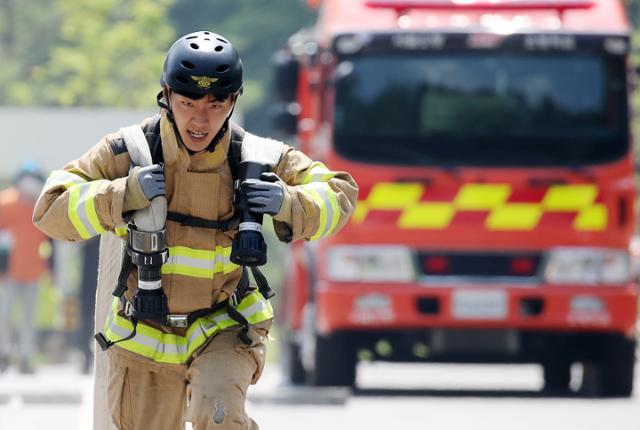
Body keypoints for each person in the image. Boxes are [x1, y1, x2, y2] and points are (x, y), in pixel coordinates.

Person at [33, 30, 357, 430]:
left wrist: (287, 203)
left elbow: (340, 195)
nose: (200, 120)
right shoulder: (128, 151)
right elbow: (50, 207)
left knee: (217, 415)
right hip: (144, 332)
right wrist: (122, 194)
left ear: (234, 101)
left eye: (216, 104)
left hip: (223, 327)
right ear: (166, 95)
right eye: (188, 103)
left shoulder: (257, 156)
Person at [0, 162, 50, 374]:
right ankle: (3, 354)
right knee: (5, 315)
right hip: (9, 272)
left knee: (29, 318)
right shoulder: (6, 204)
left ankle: (25, 357)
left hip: (32, 271)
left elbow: (49, 241)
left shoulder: (41, 206)